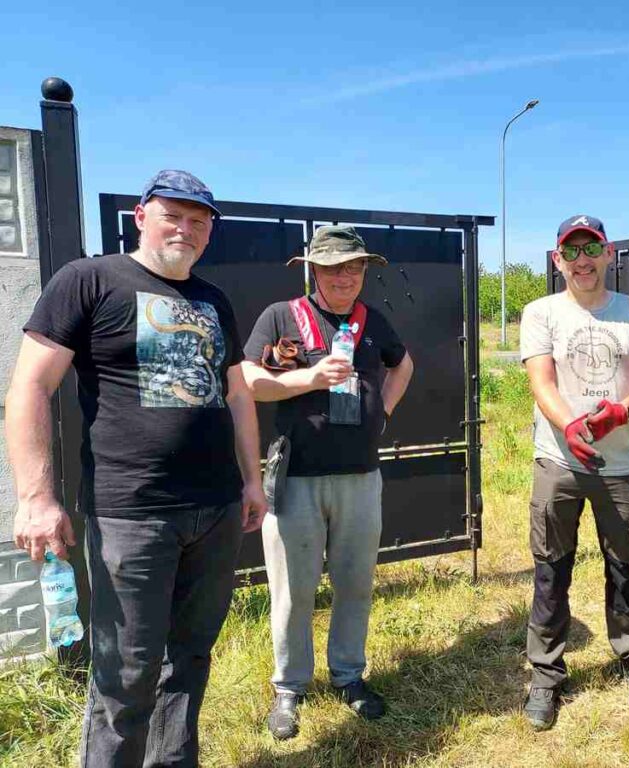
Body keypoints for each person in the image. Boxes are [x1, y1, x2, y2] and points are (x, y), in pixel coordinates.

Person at [6, 170, 267, 767]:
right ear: (141, 217)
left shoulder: (213, 300)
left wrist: (251, 480)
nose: (187, 229)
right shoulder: (89, 280)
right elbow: (30, 387)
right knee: (125, 672)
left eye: (200, 221)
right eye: (174, 215)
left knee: (191, 658)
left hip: (217, 508)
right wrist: (36, 496)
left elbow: (237, 395)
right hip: (132, 514)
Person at [242, 225, 414, 739]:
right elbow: (249, 380)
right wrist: (307, 380)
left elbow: (403, 365)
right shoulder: (280, 317)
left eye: (355, 266)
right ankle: (289, 688)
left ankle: (349, 677)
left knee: (356, 585)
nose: (346, 276)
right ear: (312, 269)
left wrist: (381, 408)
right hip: (297, 478)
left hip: (360, 477)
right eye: (335, 266)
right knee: (292, 592)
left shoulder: (372, 321)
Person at [518, 214, 629, 730]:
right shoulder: (540, 312)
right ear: (558, 260)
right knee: (550, 568)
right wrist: (574, 427)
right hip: (559, 460)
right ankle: (545, 674)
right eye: (571, 251)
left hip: (622, 463)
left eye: (591, 249)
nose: (582, 260)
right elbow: (541, 382)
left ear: (609, 254)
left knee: (625, 564)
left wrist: (620, 413)